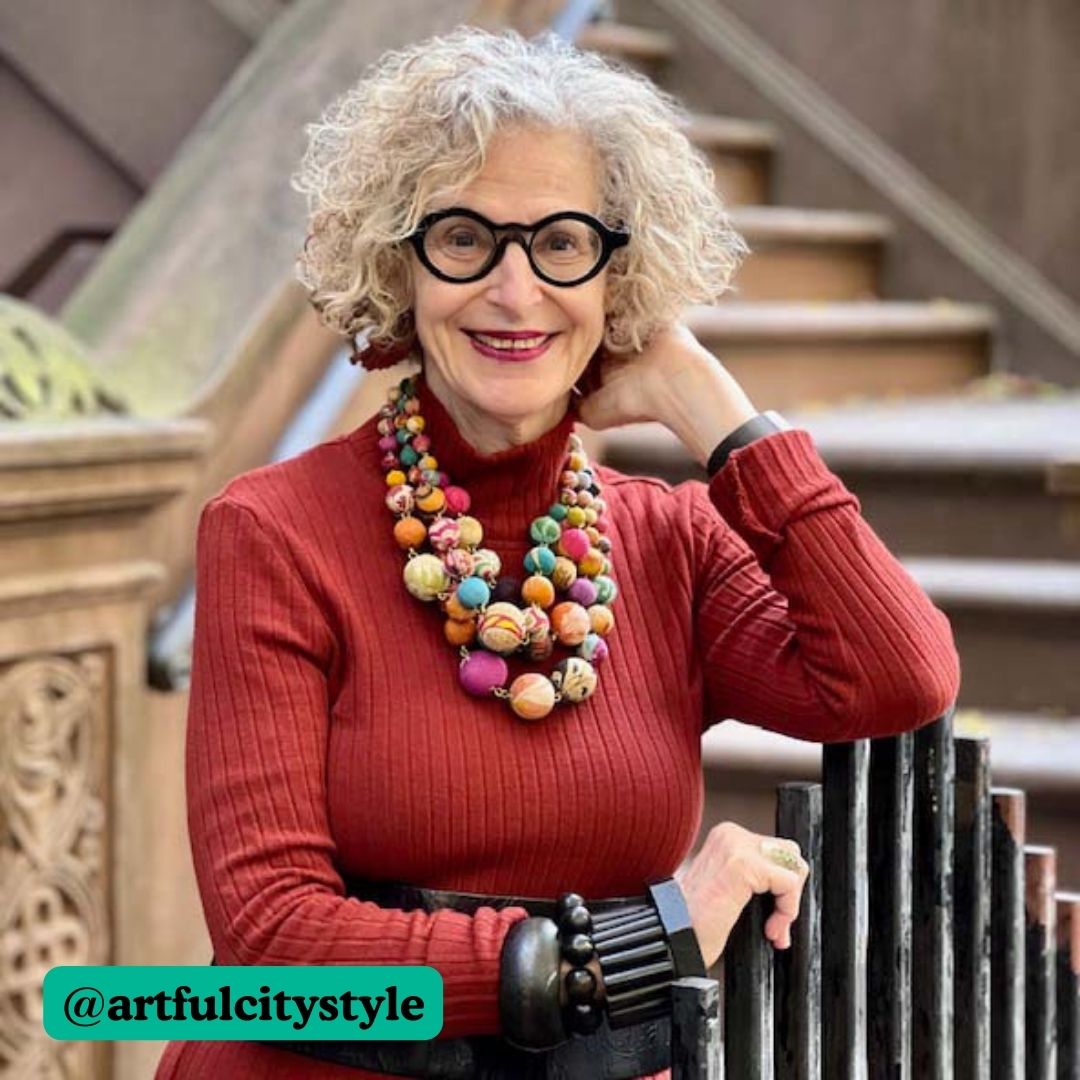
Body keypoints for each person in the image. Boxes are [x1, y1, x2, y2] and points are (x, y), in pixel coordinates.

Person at [155, 24, 960, 1080]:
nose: (514, 288)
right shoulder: (274, 531)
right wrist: (644, 942)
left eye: (564, 243)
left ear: (617, 279)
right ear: (401, 266)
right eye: (462, 237)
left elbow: (900, 676)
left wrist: (715, 411)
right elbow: (271, 943)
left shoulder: (665, 538)